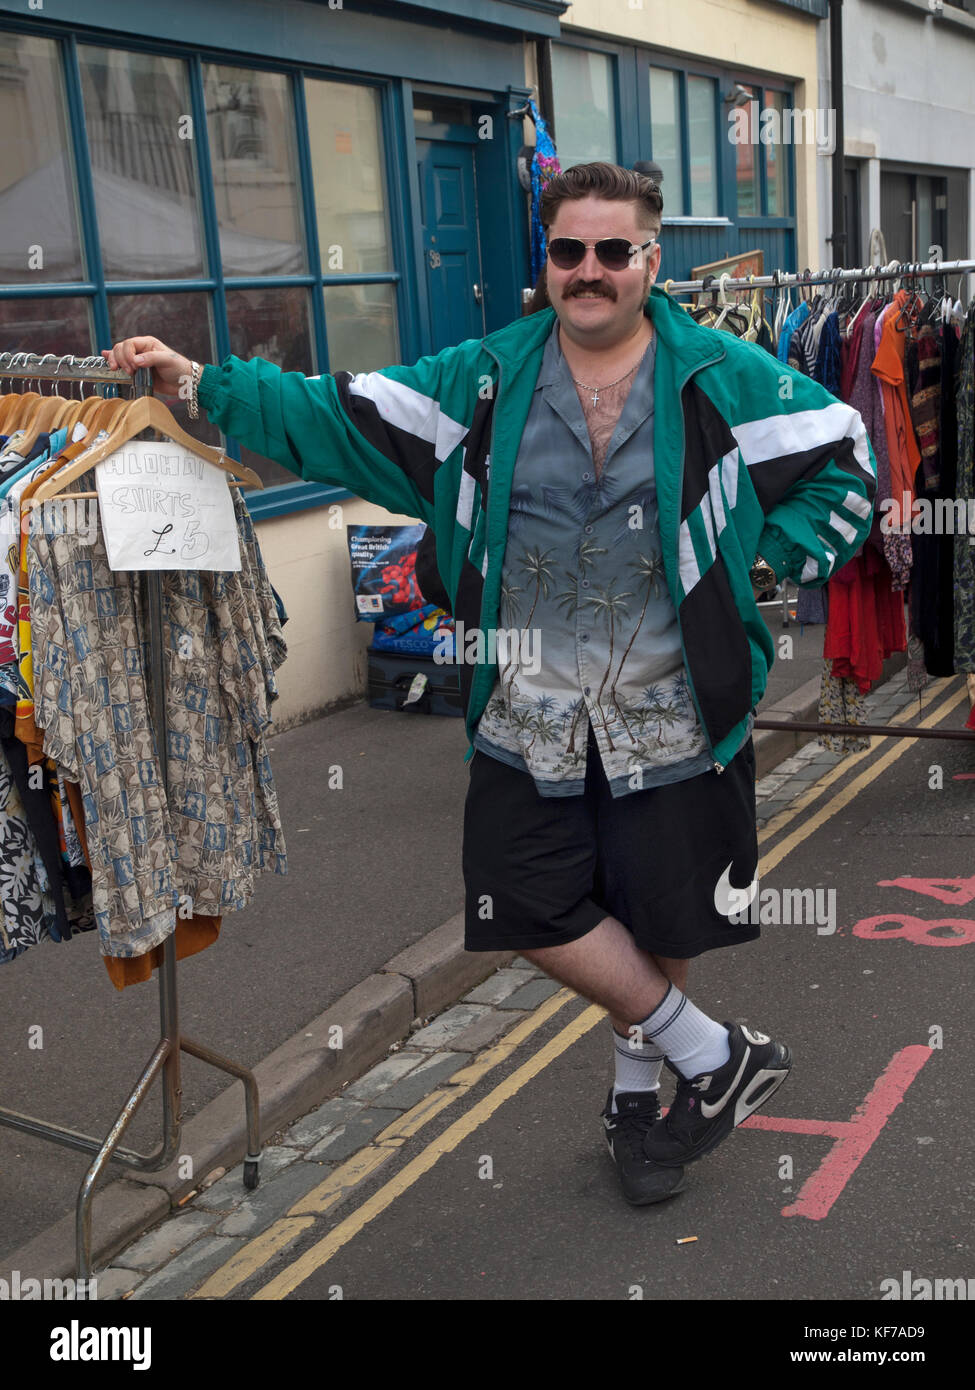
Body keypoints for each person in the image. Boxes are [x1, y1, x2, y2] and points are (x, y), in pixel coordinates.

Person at [103, 162, 876, 1206]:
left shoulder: (723, 379)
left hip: (678, 714)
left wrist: (770, 563)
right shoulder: (481, 381)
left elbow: (849, 459)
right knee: (525, 898)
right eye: (569, 251)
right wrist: (198, 384)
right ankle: (713, 1053)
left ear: (651, 259)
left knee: (653, 918)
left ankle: (641, 1108)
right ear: (544, 261)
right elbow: (335, 410)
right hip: (530, 715)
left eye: (614, 251)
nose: (590, 271)